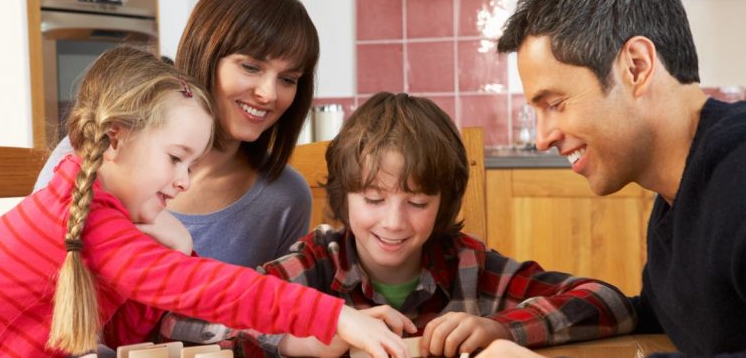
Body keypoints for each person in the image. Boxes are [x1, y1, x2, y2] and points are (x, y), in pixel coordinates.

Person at [0, 47, 411, 358]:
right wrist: (336, 317)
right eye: (174, 158)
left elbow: (129, 329)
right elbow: (212, 289)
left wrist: (174, 248)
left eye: (192, 164)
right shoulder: (89, 220)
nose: (184, 182)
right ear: (114, 140)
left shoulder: (99, 212)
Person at [159, 92, 637, 357]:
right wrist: (308, 334)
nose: (393, 222)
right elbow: (180, 322)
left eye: (417, 202)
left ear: (443, 204)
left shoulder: (469, 264)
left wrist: (501, 330)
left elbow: (611, 302)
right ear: (344, 197)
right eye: (372, 198)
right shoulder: (317, 263)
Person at [476, 0, 746, 357]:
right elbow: (658, 316)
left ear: (636, 66)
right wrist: (506, 327)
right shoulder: (677, 196)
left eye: (555, 104)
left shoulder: (738, 175)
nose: (541, 139)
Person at [34, 0, 316, 269]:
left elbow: (272, 306)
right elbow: (39, 275)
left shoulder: (285, 199)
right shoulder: (97, 147)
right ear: (205, 53)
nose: (269, 94)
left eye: (288, 79)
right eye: (251, 67)